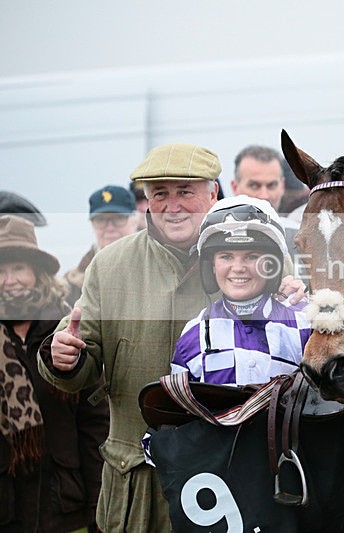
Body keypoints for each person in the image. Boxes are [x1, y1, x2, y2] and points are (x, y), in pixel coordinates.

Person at [36, 142, 223, 532]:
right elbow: (79, 356)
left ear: (213, 194)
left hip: (226, 472)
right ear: (146, 202)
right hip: (137, 482)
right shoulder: (110, 264)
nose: (173, 206)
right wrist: (64, 358)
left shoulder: (251, 255)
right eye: (160, 194)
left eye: (185, 192)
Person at [0, 214, 108, 533]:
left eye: (18, 268)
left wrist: (98, 504)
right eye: (1, 270)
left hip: (64, 507)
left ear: (37, 272)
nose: (10, 279)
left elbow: (94, 420)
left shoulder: (66, 330)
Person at [171, 195, 308, 385]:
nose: (238, 268)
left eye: (251, 256)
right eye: (226, 256)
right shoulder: (194, 333)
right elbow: (182, 412)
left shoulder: (306, 323)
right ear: (211, 266)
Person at [64, 185, 137, 306]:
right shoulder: (72, 285)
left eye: (118, 218)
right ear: (92, 225)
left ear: (135, 220)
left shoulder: (157, 268)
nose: (110, 228)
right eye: (101, 220)